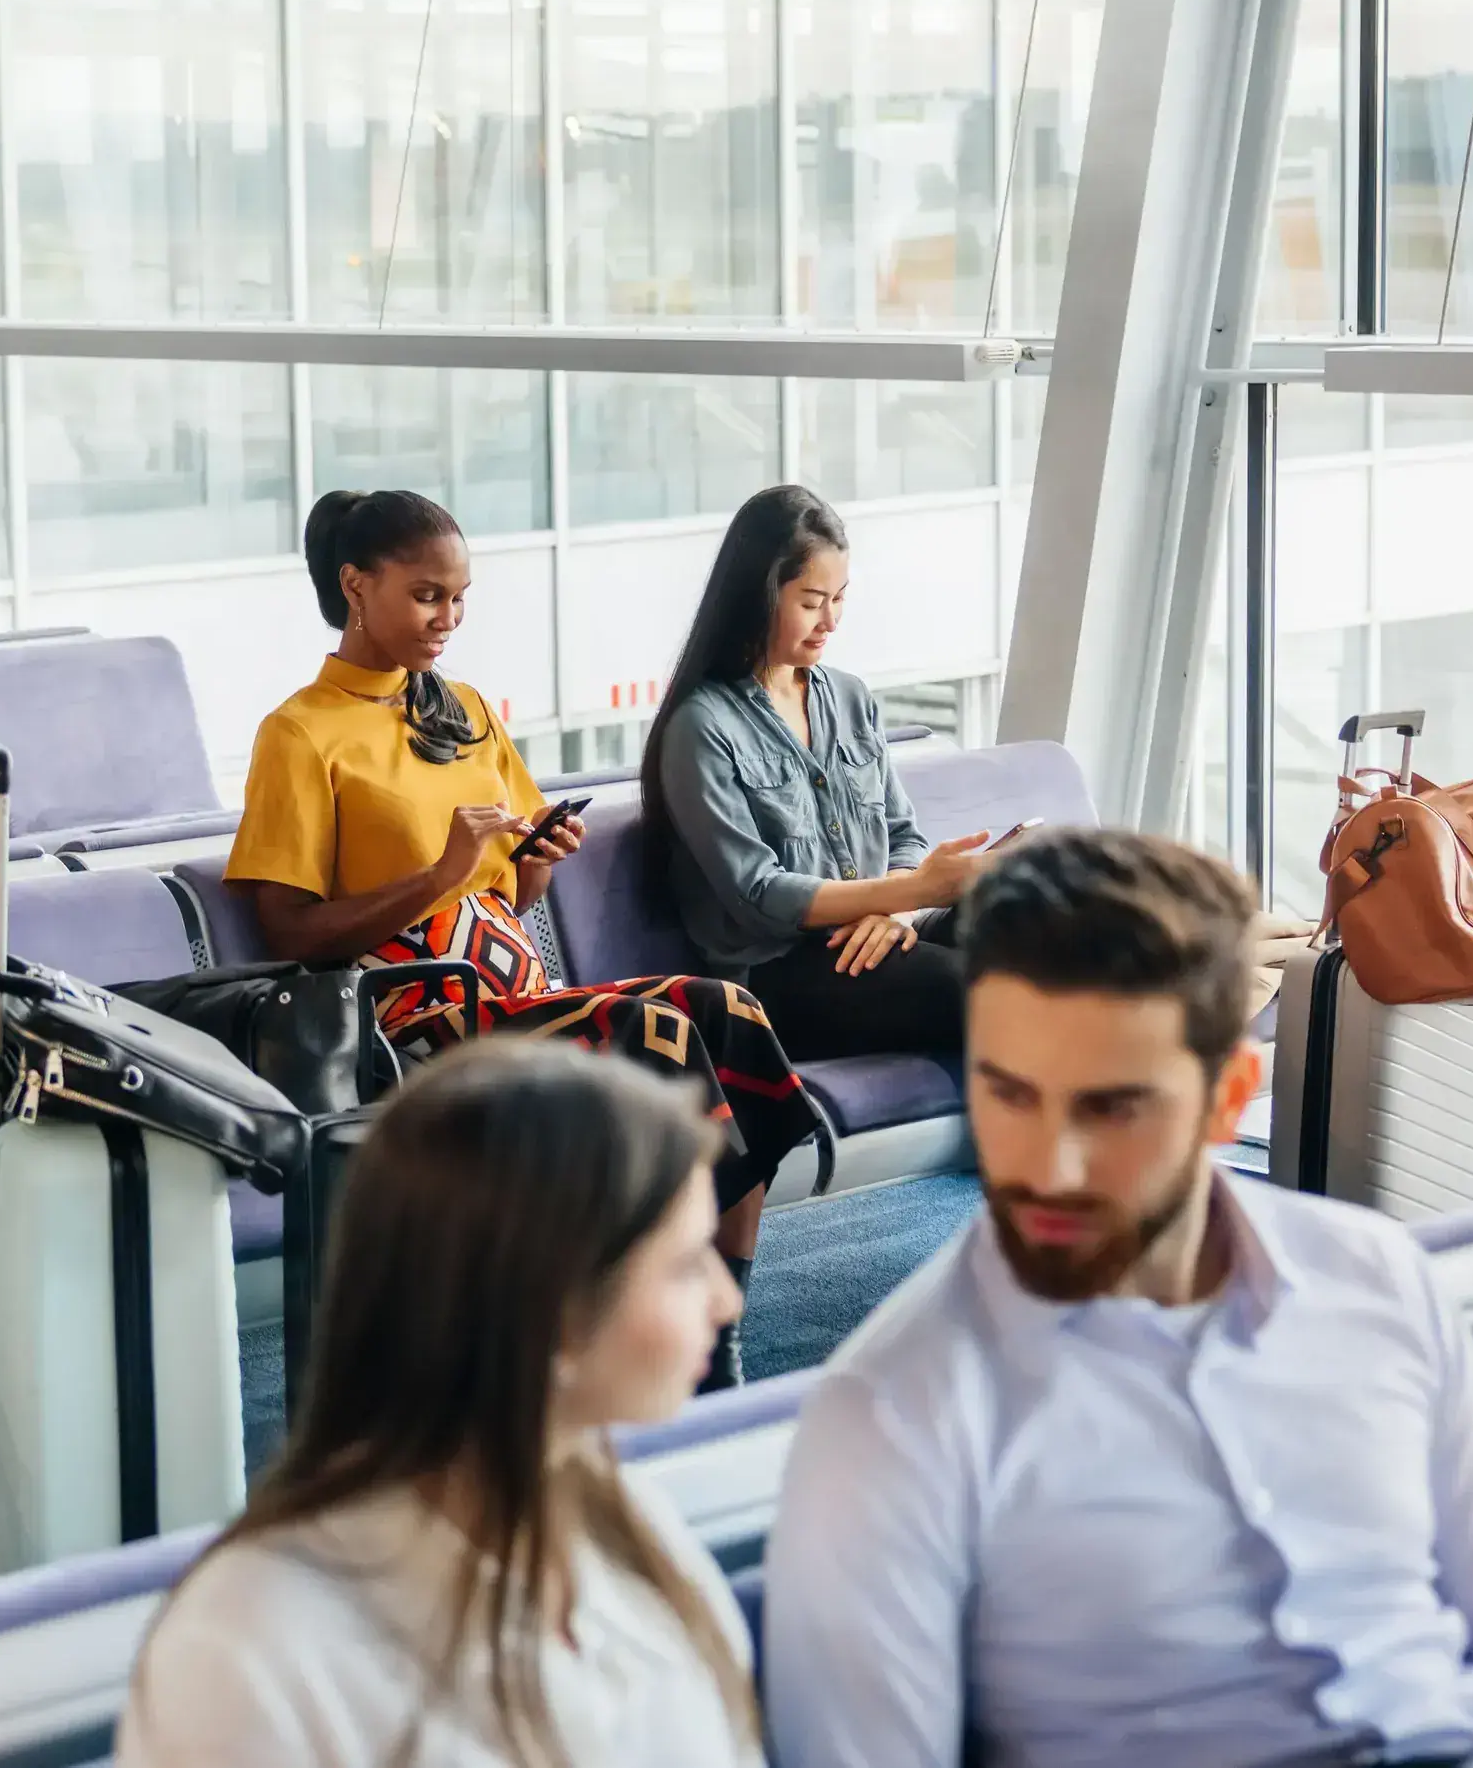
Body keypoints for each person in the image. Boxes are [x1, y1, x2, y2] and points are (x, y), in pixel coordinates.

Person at [762, 828, 1473, 1768]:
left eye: (1112, 1108)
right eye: (1010, 1095)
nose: (1050, 1166)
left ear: (1229, 1099)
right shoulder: (890, 1415)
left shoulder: (1377, 1283)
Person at [225, 488, 812, 1385]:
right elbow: (289, 930)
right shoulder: (300, 735)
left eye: (459, 598)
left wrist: (539, 857)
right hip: (417, 1024)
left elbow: (515, 884)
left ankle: (716, 1319)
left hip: (516, 993)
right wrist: (439, 874)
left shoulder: (462, 708)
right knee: (668, 1032)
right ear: (355, 586)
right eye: (427, 595)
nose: (448, 618)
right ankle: (654, 1319)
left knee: (724, 1010)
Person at [118, 1040, 762, 1768]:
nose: (725, 1297)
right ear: (553, 1311)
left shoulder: (632, 1528)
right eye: (685, 1265)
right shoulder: (252, 1651)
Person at [641, 485, 994, 1061]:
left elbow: (903, 835)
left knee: (1036, 934)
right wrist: (913, 889)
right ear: (758, 596)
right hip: (779, 979)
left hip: (874, 933)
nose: (830, 620)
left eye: (840, 598)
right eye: (810, 601)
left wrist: (896, 909)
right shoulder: (701, 725)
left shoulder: (852, 699)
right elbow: (757, 892)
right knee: (989, 996)